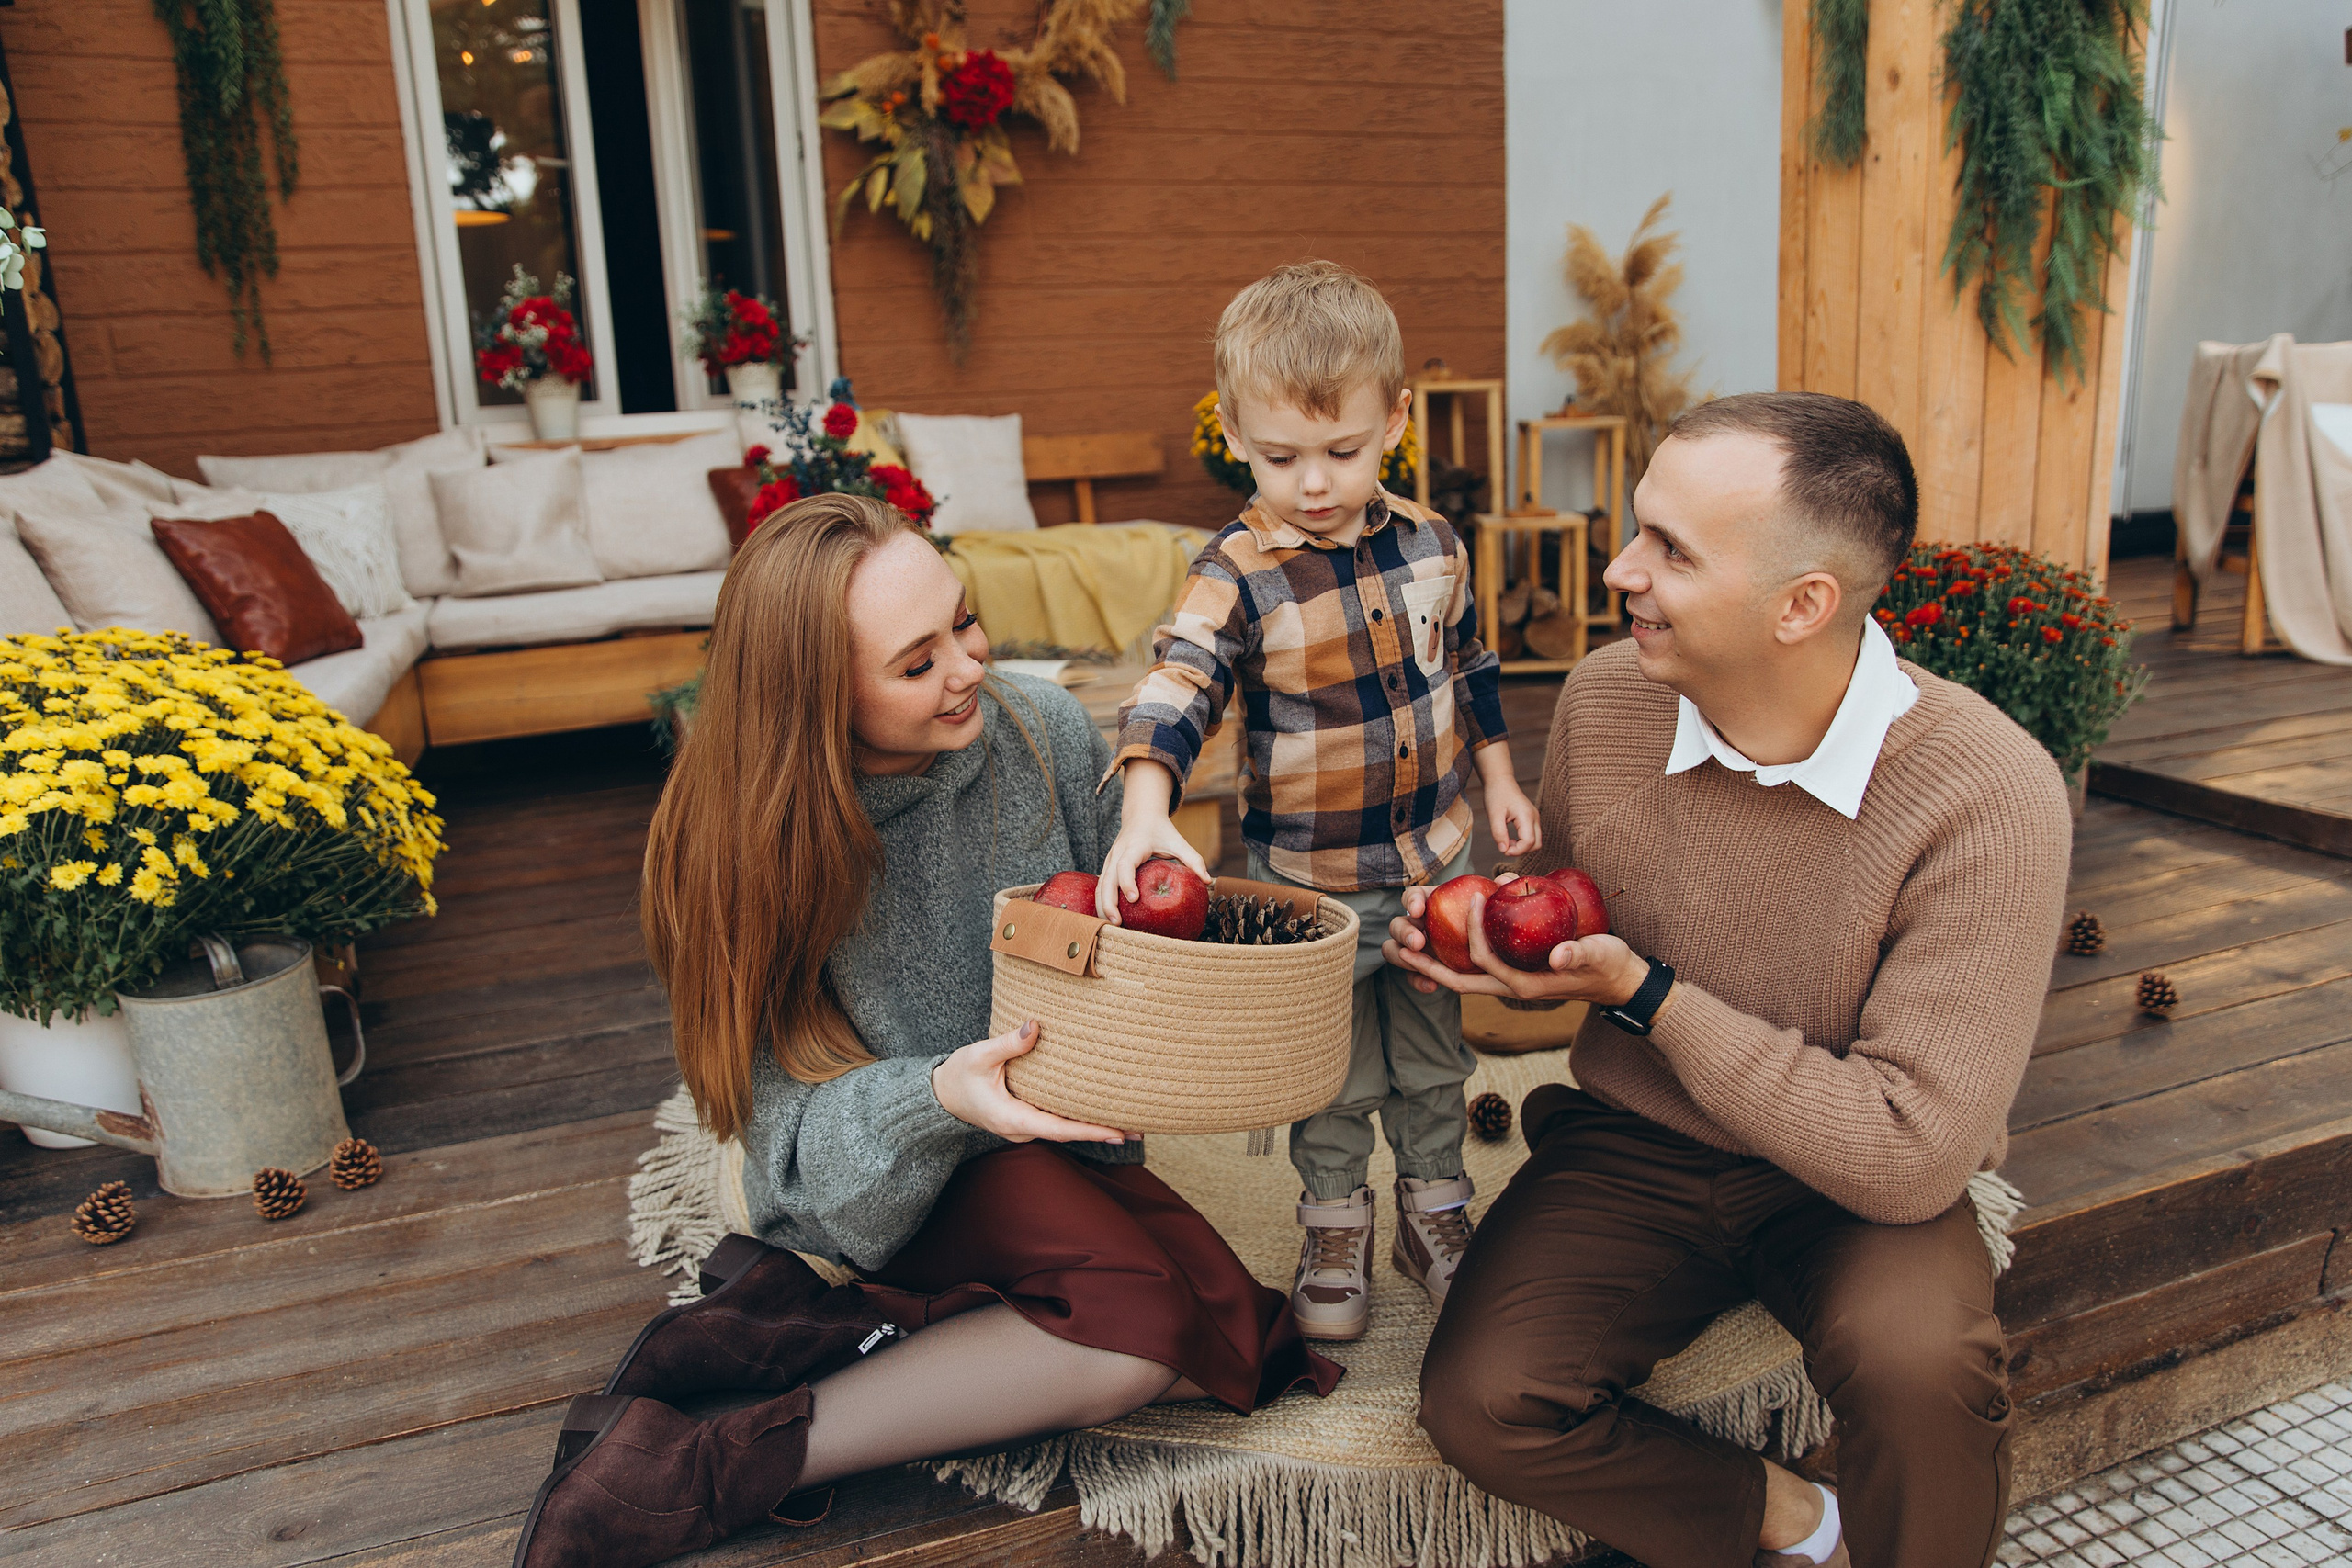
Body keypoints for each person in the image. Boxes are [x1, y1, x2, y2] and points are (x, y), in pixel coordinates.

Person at [511, 493, 1339, 1568]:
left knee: (1258, 1344)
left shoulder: (1037, 736)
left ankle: (797, 1339)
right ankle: (718, 1464)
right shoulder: (747, 847)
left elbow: (1118, 976)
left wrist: (1162, 922)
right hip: (893, 1164)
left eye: (964, 620)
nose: (968, 669)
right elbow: (789, 1156)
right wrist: (941, 1095)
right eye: (915, 663)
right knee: (1141, 1337)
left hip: (1049, 1141)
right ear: (817, 697)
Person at [1385, 392, 2071, 1568]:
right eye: (1636, 530)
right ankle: (1799, 1520)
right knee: (1481, 1398)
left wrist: (1647, 998)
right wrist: (1493, 966)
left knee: (1923, 1365)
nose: (1618, 569)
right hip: (1638, 1140)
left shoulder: (1988, 796)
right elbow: (1572, 946)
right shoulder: (1607, 702)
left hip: (1855, 1178)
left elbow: (1911, 1154)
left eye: (1669, 551)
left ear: (1801, 606)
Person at [1100, 261, 1543, 1341]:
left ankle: (1433, 1210)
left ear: (1393, 420)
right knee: (1334, 1068)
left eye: (1341, 452)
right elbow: (1180, 679)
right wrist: (1145, 805)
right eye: (1276, 455)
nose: (1310, 482)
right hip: (1317, 890)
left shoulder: (1435, 544)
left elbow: (1473, 668)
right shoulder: (1236, 572)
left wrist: (1497, 776)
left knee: (1435, 1048)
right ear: (1233, 434)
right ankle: (1333, 1218)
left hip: (1435, 862)